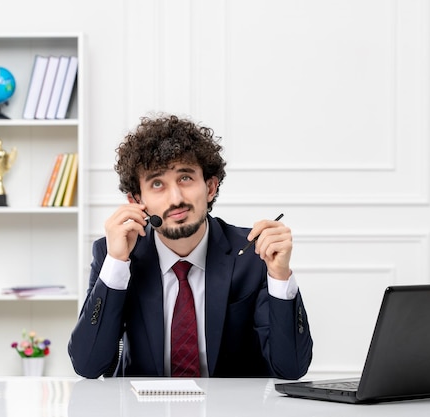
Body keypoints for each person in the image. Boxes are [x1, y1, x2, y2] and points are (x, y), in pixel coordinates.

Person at [68, 114, 312, 379]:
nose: (176, 198)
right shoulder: (115, 253)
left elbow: (290, 369)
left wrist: (279, 276)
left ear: (209, 188)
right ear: (137, 200)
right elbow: (88, 365)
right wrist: (116, 263)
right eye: (157, 184)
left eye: (185, 178)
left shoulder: (253, 253)